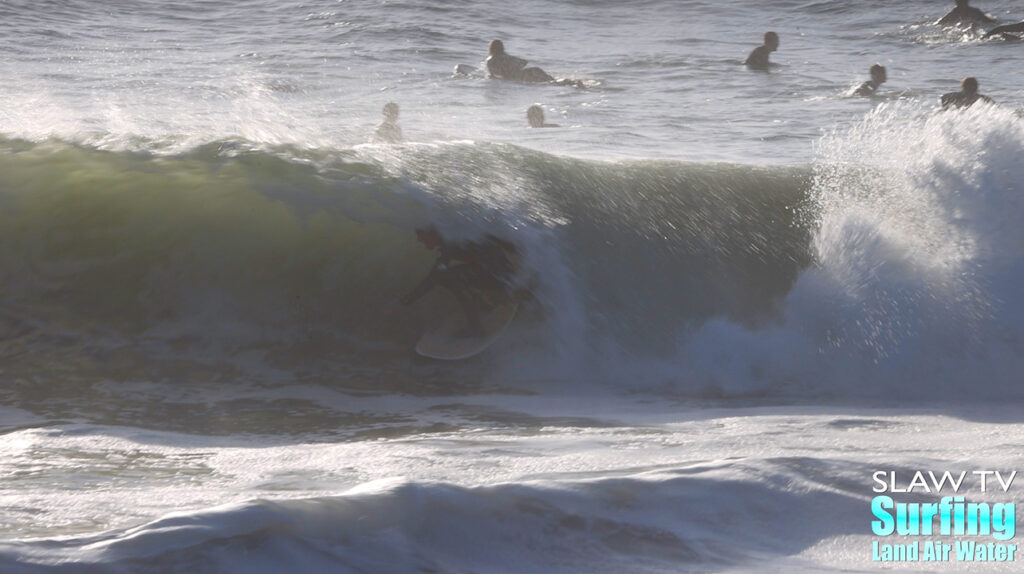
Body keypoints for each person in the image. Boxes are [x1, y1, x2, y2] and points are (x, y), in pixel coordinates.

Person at [401, 227, 520, 337]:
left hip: (500, 278)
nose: (419, 240)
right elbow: (490, 238)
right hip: (505, 273)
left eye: (422, 236)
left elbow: (434, 277)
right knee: (449, 275)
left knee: (449, 277)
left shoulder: (448, 245)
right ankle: (482, 305)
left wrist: (410, 298)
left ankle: (475, 327)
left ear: (432, 233)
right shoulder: (457, 233)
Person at [485, 40, 555, 83]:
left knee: (541, 78)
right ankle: (555, 81)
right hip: (520, 75)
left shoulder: (489, 61)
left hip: (514, 78)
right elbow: (524, 62)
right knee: (540, 73)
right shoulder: (506, 57)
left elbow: (492, 76)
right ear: (502, 47)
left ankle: (554, 81)